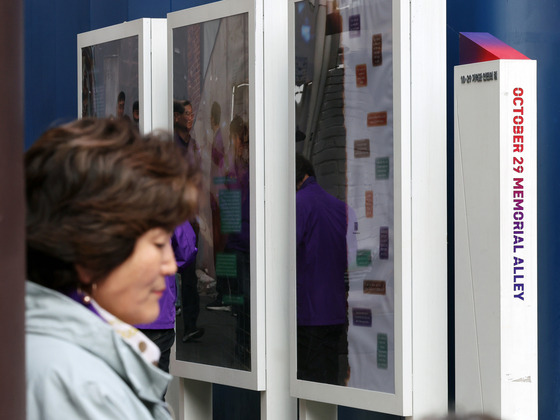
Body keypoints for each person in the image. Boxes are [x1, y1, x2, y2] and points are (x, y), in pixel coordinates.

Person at [25, 118, 198, 419]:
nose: (171, 265)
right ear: (91, 249)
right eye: (158, 245)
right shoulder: (83, 389)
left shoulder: (54, 362)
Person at [296, 153, 348, 385]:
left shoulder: (298, 204)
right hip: (335, 311)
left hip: (308, 312)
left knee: (309, 385)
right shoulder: (340, 207)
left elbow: (283, 253)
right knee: (330, 383)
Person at [136, 221, 198, 377]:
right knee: (154, 393)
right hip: (157, 317)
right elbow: (187, 249)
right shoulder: (168, 206)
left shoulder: (110, 205)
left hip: (116, 318)